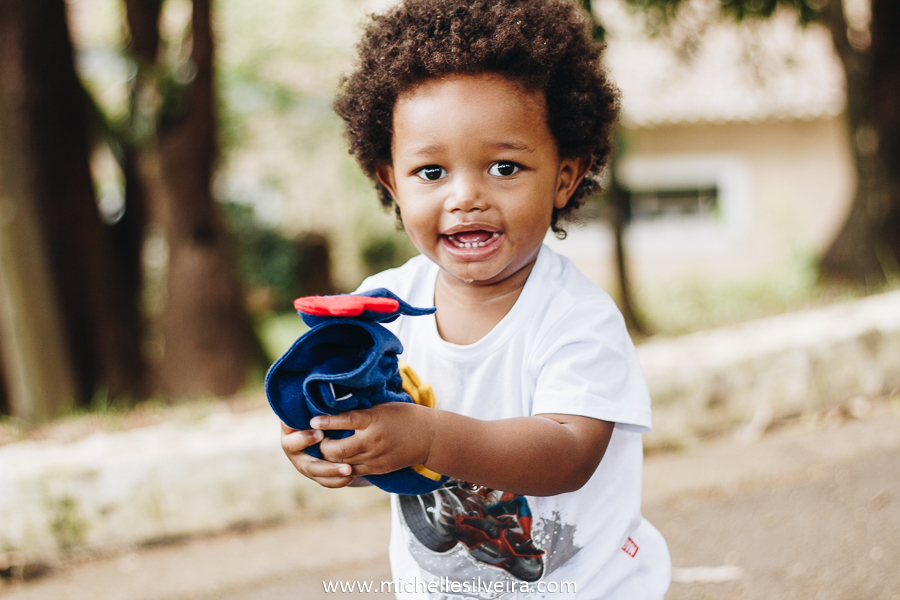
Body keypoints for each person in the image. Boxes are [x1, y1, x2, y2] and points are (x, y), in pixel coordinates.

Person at [280, 0, 671, 597]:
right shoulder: (381, 308)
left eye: (504, 167)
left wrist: (427, 436)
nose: (466, 196)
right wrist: (343, 448)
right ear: (390, 181)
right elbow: (394, 451)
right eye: (431, 173)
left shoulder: (576, 318)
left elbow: (568, 454)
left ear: (565, 176)